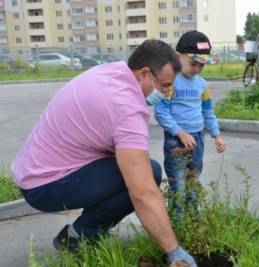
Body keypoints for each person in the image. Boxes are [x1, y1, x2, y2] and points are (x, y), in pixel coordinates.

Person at [11, 40, 197, 266]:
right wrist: (173, 250)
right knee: (149, 174)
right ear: (145, 73)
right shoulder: (128, 108)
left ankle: (81, 231)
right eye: (164, 85)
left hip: (34, 169)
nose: (167, 94)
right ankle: (80, 236)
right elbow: (143, 193)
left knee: (137, 168)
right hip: (44, 185)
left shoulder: (114, 71)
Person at [155, 31, 226, 220]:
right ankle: (177, 225)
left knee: (193, 182)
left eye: (201, 65)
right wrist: (179, 133)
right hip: (175, 142)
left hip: (197, 141)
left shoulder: (202, 85)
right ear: (179, 57)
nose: (196, 69)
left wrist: (216, 134)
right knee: (178, 184)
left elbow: (208, 112)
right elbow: (161, 112)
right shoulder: (172, 83)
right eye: (193, 63)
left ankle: (193, 221)